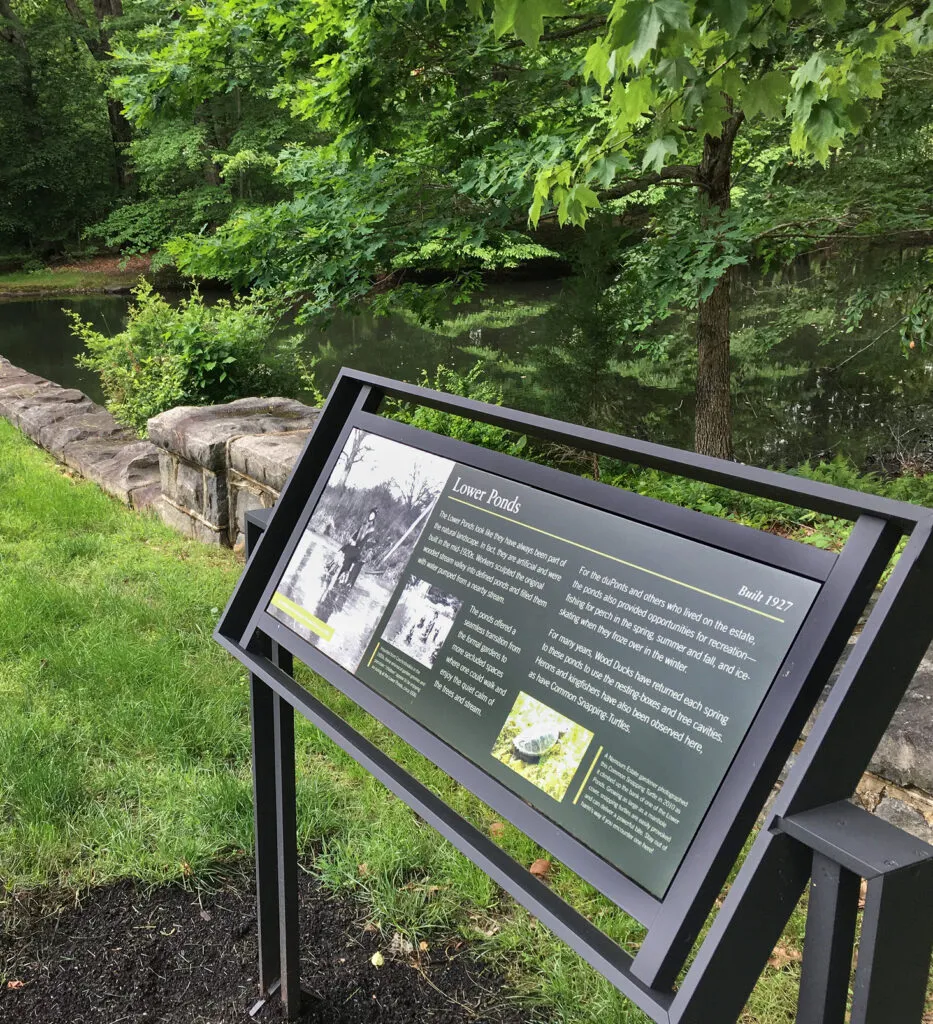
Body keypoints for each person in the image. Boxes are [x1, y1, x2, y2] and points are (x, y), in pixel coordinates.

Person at [338, 507, 379, 588]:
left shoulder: (371, 528)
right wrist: (352, 539)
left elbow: (365, 541)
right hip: (355, 544)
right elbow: (357, 533)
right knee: (345, 553)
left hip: (361, 548)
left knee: (353, 561)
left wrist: (356, 545)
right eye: (370, 514)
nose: (371, 516)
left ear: (374, 517)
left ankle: (348, 581)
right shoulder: (364, 523)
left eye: (373, 515)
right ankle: (340, 574)